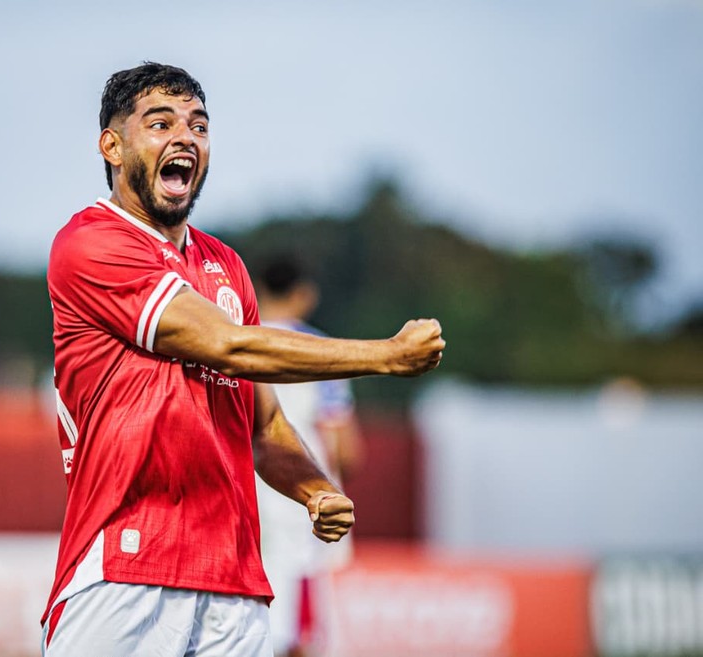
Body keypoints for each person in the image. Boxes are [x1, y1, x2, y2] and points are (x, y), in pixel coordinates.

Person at [43, 61, 445, 656]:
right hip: (125, 568)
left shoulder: (226, 267)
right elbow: (229, 346)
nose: (185, 138)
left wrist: (314, 489)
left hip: (234, 583)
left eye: (198, 126)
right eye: (160, 123)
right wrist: (385, 356)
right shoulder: (91, 243)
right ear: (112, 144)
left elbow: (265, 425)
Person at [253, 256, 364, 657]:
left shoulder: (231, 341)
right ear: (303, 294)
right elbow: (345, 447)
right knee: (298, 631)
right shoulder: (321, 351)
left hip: (239, 501)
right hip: (300, 502)